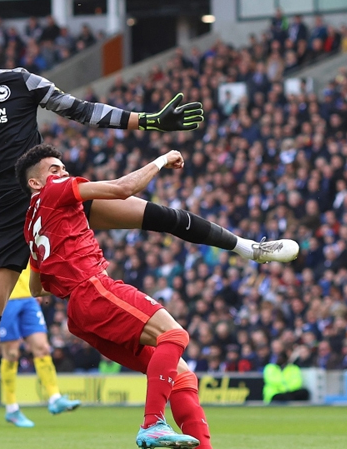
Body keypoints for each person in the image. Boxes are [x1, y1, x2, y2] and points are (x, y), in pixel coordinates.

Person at [0, 20, 296, 449]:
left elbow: (81, 109)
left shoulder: (20, 83)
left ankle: (248, 248)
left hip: (54, 199)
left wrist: (146, 121)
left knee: (162, 216)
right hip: (5, 221)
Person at [16, 145, 210, 449]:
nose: (63, 172)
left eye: (63, 168)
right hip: (93, 290)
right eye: (54, 169)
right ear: (35, 183)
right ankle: (152, 424)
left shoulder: (31, 225)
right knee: (174, 335)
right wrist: (162, 159)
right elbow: (123, 188)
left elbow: (36, 287)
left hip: (79, 314)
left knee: (182, 375)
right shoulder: (56, 190)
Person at [0, 221, 80, 427]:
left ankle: (54, 398)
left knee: (42, 347)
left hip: (28, 298)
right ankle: (12, 408)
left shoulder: (27, 217)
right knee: (11, 353)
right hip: (6, 296)